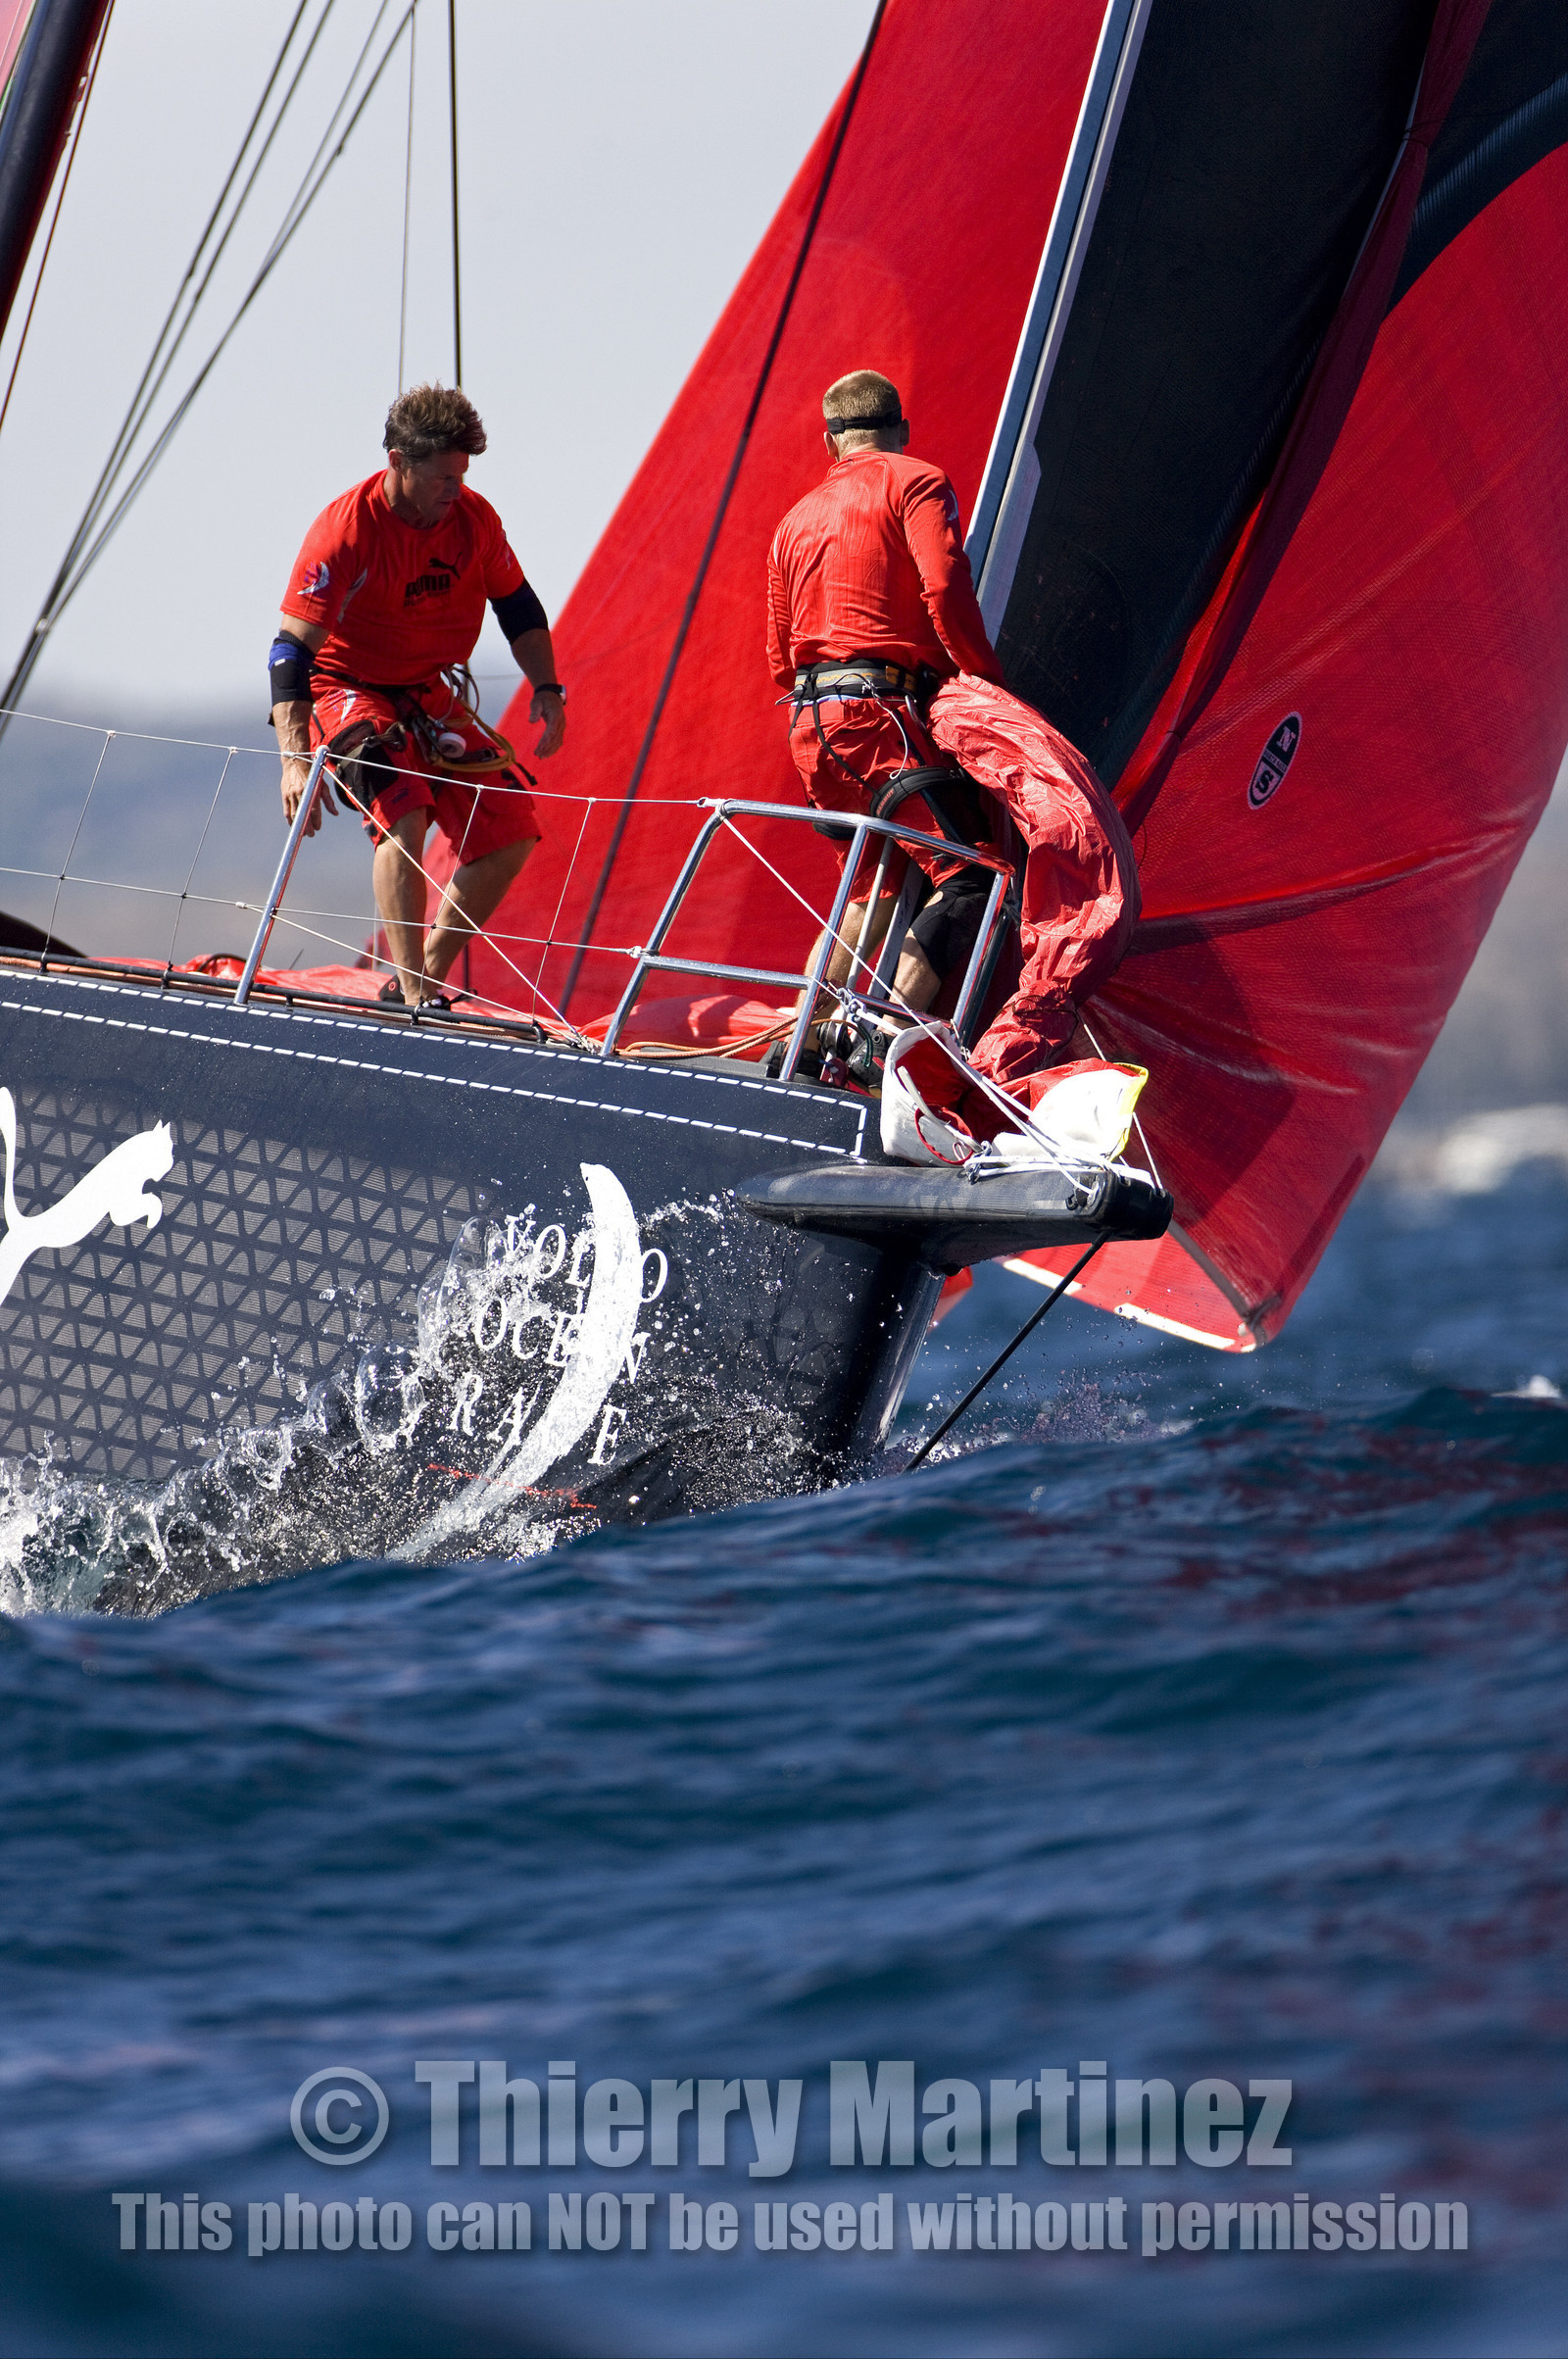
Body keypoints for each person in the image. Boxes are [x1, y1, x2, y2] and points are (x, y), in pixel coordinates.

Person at [766, 369, 1137, 1119]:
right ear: (900, 430)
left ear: (831, 440)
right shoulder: (917, 480)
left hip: (810, 724)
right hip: (878, 718)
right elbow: (944, 582)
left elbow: (778, 653)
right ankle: (879, 1044)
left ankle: (799, 1045)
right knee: (972, 877)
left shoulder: (795, 518)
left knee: (871, 883)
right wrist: (981, 678)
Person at [270, 384, 565, 1008]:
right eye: (442, 477)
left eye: (462, 475)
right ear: (399, 461)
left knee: (512, 830)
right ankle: (411, 999)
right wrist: (295, 760)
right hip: (347, 688)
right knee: (404, 814)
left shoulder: (474, 519)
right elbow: (290, 654)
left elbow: (518, 606)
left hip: (426, 692)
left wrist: (547, 687)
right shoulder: (346, 530)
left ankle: (421, 979)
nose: (455, 491)